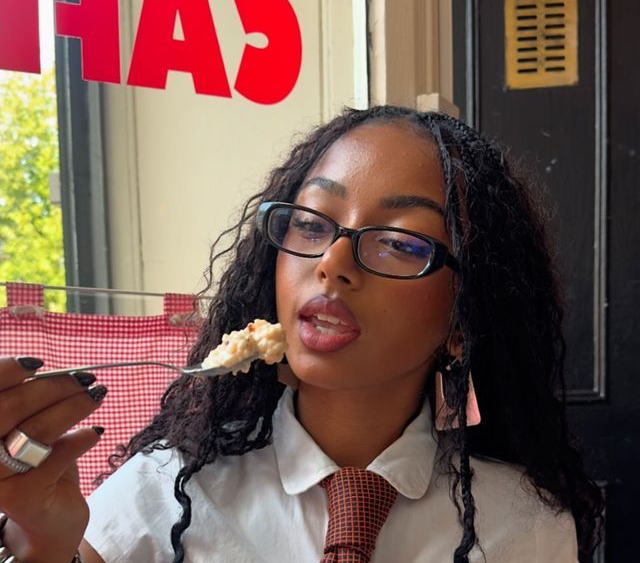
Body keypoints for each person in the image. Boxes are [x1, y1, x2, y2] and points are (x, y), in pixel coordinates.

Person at [0, 106, 603, 563]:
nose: (332, 263)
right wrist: (42, 544)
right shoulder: (162, 493)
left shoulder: (527, 524)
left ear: (462, 319)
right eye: (312, 223)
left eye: (400, 242)